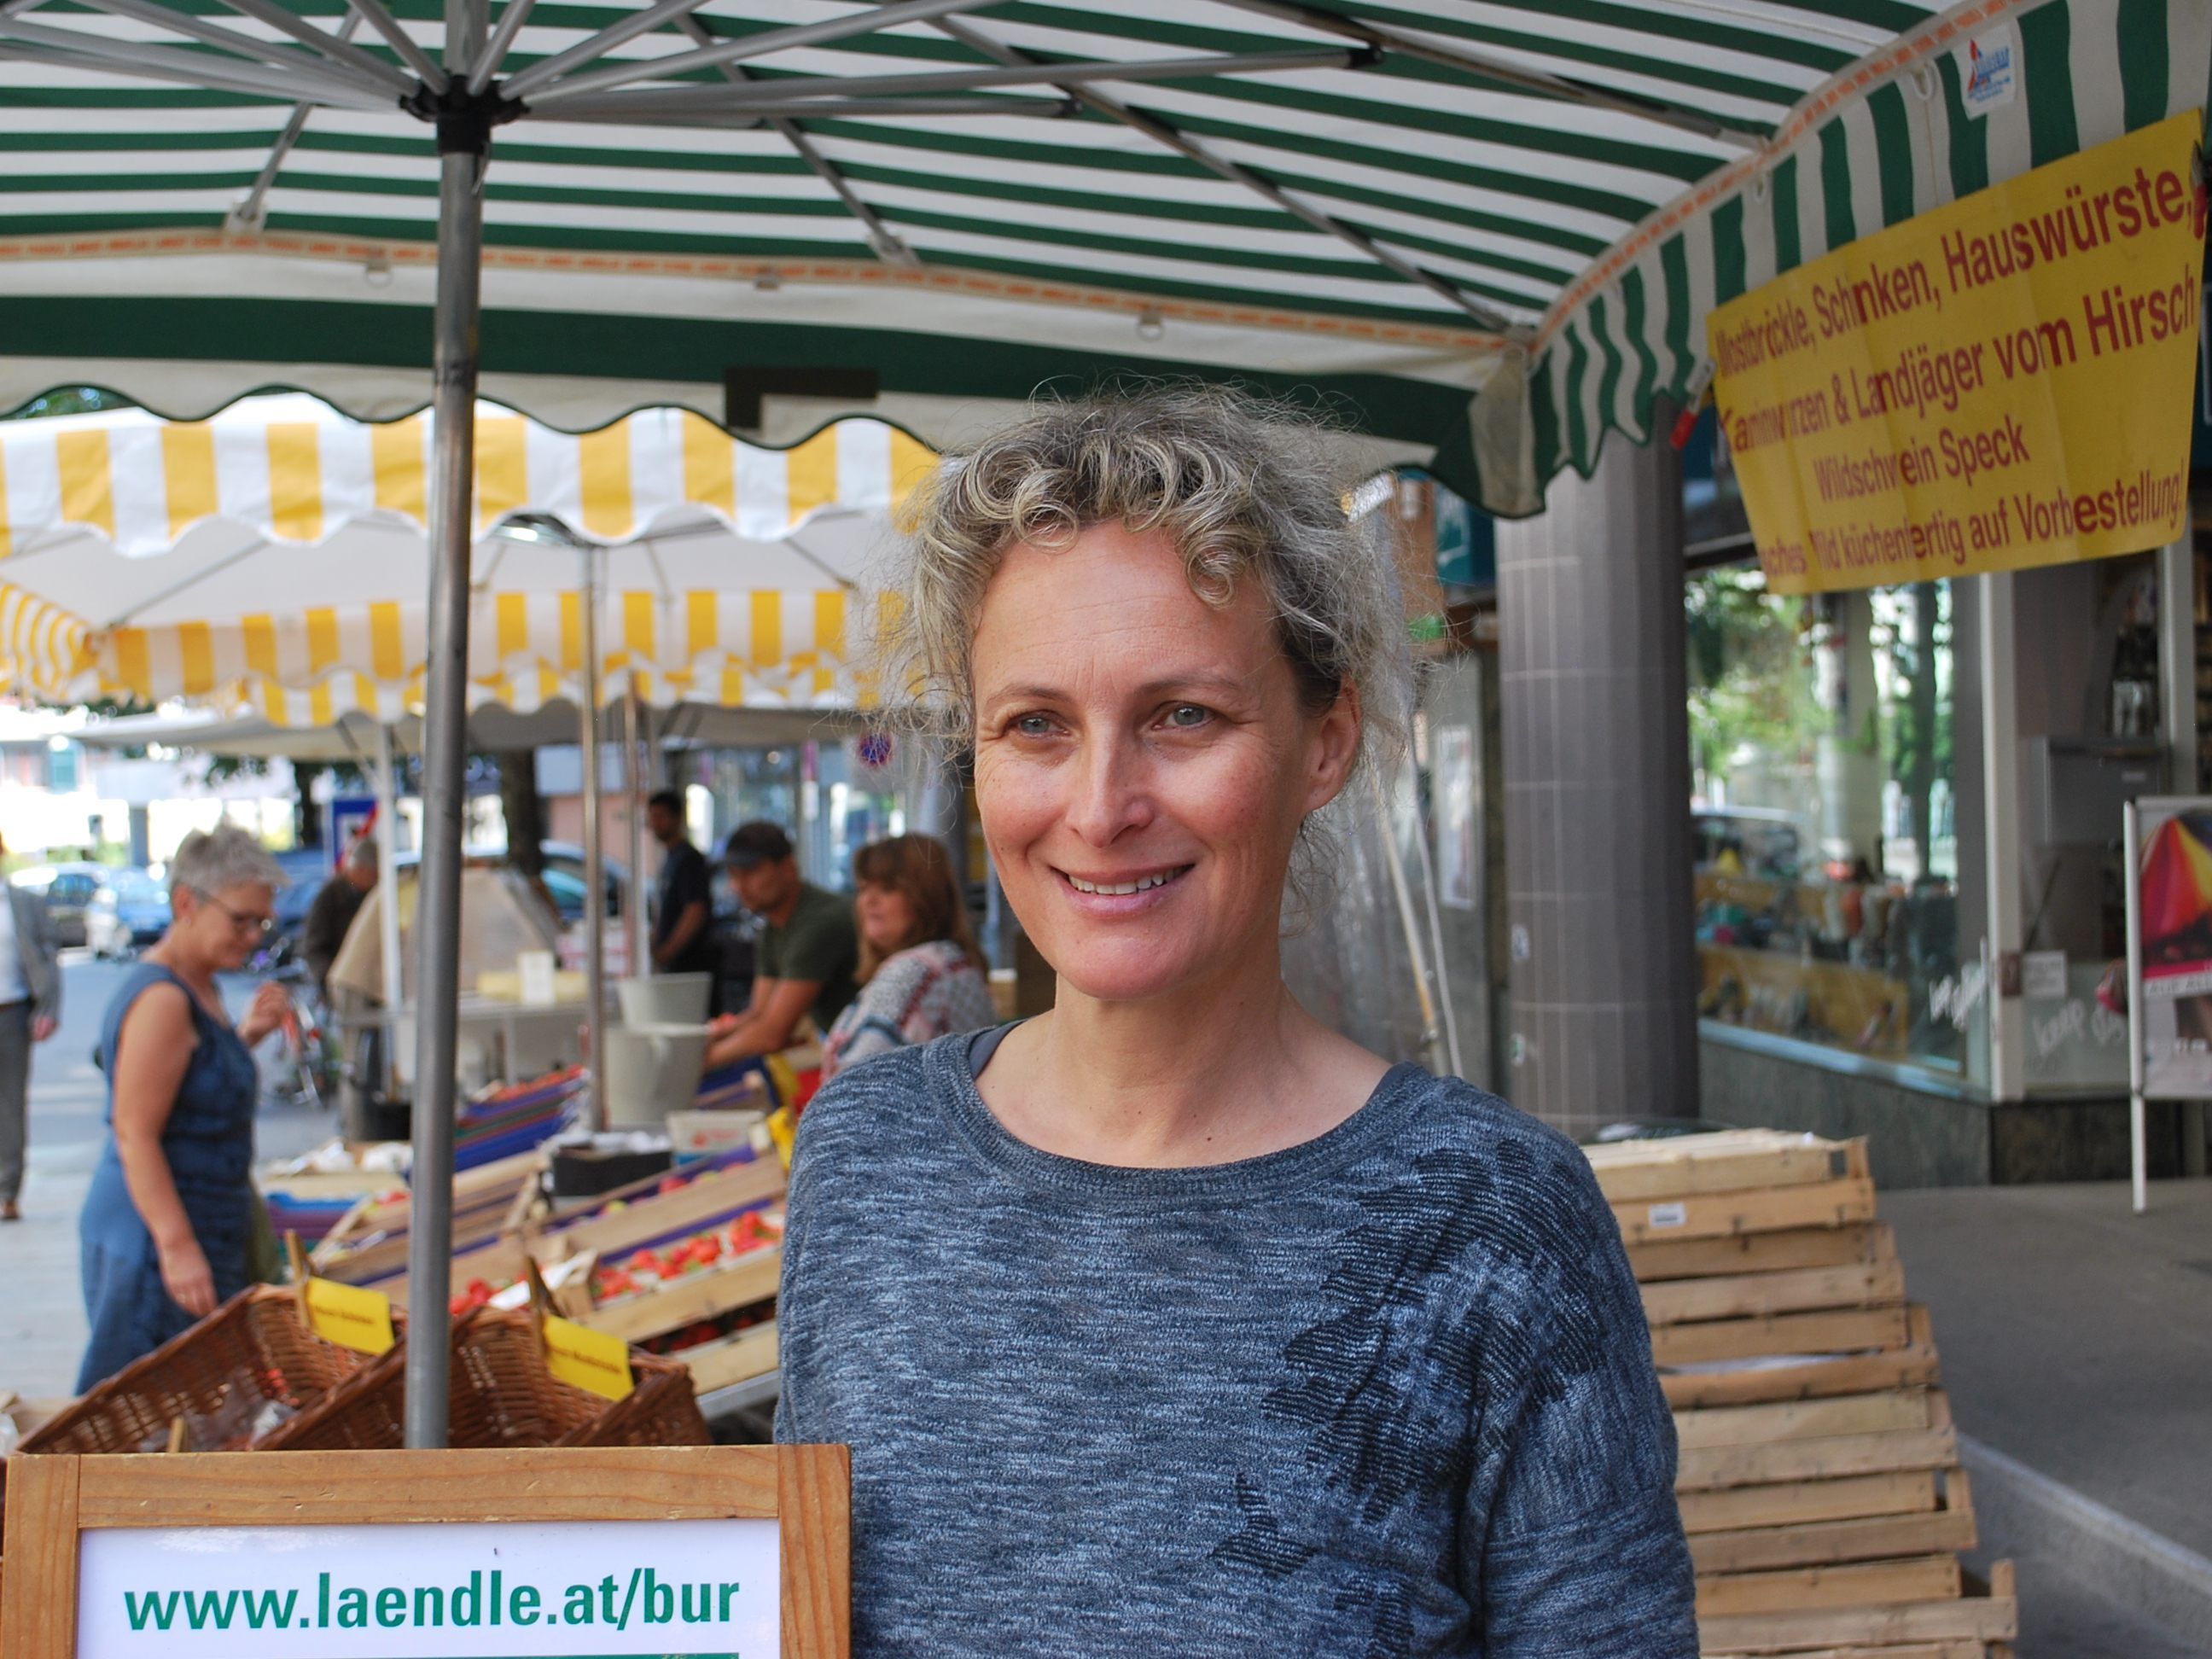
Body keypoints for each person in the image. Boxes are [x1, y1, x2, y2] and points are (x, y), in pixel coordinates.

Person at [775, 389, 1697, 1654]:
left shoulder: (1491, 1217)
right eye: (1036, 724)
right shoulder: (866, 1156)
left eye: (1183, 718)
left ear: (1325, 745)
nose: (1102, 808)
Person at [77, 826, 291, 1389]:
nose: (252, 937)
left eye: (261, 923)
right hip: (153, 1236)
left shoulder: (200, 984)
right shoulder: (163, 998)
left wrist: (246, 1037)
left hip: (190, 1225)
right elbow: (135, 1132)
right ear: (185, 904)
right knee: (147, 1410)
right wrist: (177, 1248)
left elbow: (190, 1088)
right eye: (241, 920)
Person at [820, 835, 996, 1079]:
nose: (869, 901)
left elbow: (855, 1083)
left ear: (926, 897)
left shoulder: (915, 970)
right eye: (863, 888)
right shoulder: (952, 961)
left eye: (887, 888)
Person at [701, 823, 858, 1071]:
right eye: (733, 874)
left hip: (874, 1061)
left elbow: (771, 1035)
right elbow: (759, 1013)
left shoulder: (820, 922)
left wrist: (697, 1064)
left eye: (749, 872)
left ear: (788, 868)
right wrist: (703, 1039)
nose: (738, 886)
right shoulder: (772, 928)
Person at [0, 832, 61, 1223]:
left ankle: (7, 1191)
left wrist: (49, 1009)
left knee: (9, 1105)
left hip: (12, 1012)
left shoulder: (22, 904)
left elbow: (48, 960)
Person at [645, 789, 719, 987]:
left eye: (661, 817)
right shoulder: (670, 858)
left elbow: (695, 910)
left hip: (692, 964)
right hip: (676, 964)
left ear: (677, 818)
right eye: (652, 817)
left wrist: (668, 951)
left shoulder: (689, 859)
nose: (655, 823)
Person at [300, 835, 375, 1001]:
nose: (376, 880)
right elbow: (313, 947)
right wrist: (331, 979)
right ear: (361, 869)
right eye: (374, 874)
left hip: (364, 982)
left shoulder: (366, 893)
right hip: (342, 985)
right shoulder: (329, 897)